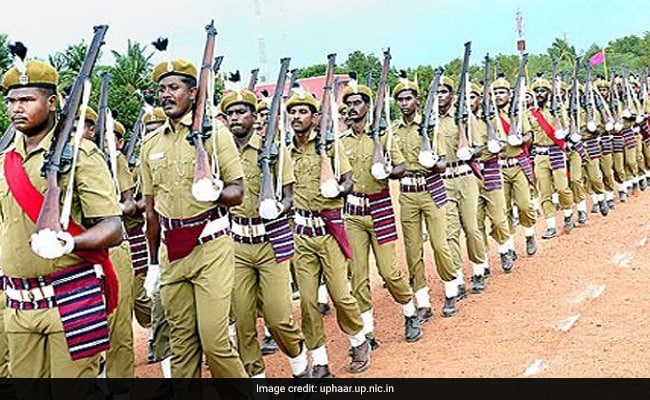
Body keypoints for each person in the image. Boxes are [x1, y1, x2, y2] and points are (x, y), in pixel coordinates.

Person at [0, 53, 122, 397]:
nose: (16, 108)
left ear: (52, 103)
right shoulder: (5, 161)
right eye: (11, 101)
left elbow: (113, 228)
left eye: (27, 99)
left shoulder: (80, 155)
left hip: (71, 297)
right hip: (20, 303)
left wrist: (70, 243)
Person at [140, 58, 248, 381]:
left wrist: (213, 190)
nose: (166, 95)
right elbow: (151, 210)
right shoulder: (151, 144)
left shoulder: (216, 137)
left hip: (209, 247)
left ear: (193, 92)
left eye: (174, 88)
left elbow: (237, 192)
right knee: (182, 345)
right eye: (162, 89)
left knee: (214, 343)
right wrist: (153, 265)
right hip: (171, 254)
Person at [222, 87, 309, 378]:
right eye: (230, 113)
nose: (235, 117)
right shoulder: (220, 153)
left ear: (253, 116)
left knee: (277, 316)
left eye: (241, 111)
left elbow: (289, 195)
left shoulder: (272, 149)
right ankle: (255, 378)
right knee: (243, 320)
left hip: (269, 241)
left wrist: (279, 208)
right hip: (236, 244)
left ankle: (300, 364)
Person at [287, 88, 370, 377]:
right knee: (308, 303)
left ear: (314, 117)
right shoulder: (285, 153)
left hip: (329, 231)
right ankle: (320, 360)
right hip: (301, 235)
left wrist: (338, 188)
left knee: (340, 294)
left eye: (302, 112)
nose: (296, 117)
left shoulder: (332, 147)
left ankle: (358, 340)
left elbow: (350, 181)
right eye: (293, 112)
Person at [340, 80, 422, 346]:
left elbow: (400, 168)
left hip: (380, 208)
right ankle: (367, 332)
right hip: (353, 213)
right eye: (348, 104)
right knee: (358, 276)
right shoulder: (341, 143)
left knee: (389, 272)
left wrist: (387, 169)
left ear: (368, 106)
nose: (352, 108)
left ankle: (410, 312)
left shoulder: (384, 137)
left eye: (357, 103)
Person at [393, 75, 459, 321]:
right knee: (412, 250)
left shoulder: (431, 127)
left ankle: (451, 290)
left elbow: (442, 162)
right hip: (407, 194)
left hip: (431, 189)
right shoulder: (394, 131)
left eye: (408, 98)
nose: (404, 103)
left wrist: (432, 162)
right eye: (400, 99)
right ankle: (422, 301)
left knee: (440, 245)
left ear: (417, 100)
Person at [437, 74, 489, 294]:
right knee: (449, 232)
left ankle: (478, 269)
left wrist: (469, 151)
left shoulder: (466, 118)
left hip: (465, 176)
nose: (440, 97)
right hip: (443, 180)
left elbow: (480, 147)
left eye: (444, 92)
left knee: (471, 227)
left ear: (452, 95)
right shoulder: (429, 122)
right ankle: (457, 277)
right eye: (436, 93)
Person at [469, 82, 516, 277]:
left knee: (498, 218)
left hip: (490, 168)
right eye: (465, 98)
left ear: (480, 99)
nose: (469, 102)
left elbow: (504, 144)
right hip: (469, 173)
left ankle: (505, 249)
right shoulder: (460, 121)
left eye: (472, 97)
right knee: (476, 222)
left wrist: (494, 145)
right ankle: (483, 263)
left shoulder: (491, 117)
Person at [491, 74, 537, 256]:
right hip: (498, 167)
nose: (498, 96)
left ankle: (529, 234)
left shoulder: (518, 113)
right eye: (495, 92)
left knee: (524, 205)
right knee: (504, 209)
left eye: (502, 92)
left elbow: (529, 135)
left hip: (517, 164)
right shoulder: (487, 116)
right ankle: (509, 247)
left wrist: (520, 140)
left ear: (509, 95)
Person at [530, 76, 575, 239]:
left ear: (549, 93)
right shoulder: (530, 113)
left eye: (543, 91)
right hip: (540, 155)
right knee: (545, 192)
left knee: (562, 188)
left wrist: (557, 115)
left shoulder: (557, 109)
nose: (540, 94)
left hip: (556, 151)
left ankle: (568, 214)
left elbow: (567, 127)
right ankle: (550, 225)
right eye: (537, 91)